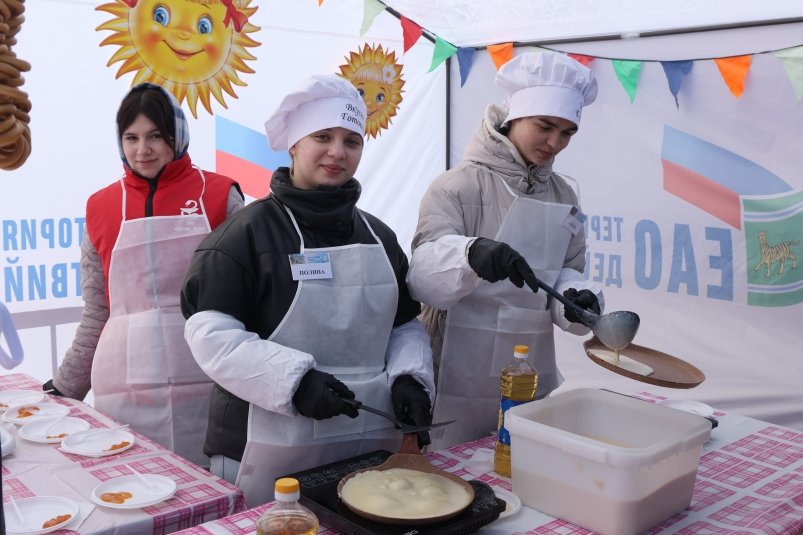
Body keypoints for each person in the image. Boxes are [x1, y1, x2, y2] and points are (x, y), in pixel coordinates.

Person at [180, 73, 435, 507]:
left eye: (351, 141)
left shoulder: (380, 236)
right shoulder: (244, 236)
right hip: (261, 448)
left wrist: (410, 378)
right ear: (294, 144)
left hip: (364, 443)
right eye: (323, 136)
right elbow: (211, 338)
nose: (337, 152)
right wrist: (294, 381)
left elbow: (403, 325)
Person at [407, 52, 605, 450]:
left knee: (519, 461)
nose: (554, 143)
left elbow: (567, 267)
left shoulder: (564, 194)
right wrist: (470, 254)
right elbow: (422, 279)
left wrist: (573, 297)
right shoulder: (457, 186)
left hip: (527, 361)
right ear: (514, 117)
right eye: (545, 126)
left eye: (567, 133)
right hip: (456, 362)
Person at [44, 83, 244, 467]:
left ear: (178, 136)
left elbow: (248, 301)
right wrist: (65, 387)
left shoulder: (219, 195)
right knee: (132, 486)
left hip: (209, 384)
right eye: (131, 138)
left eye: (156, 136)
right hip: (124, 389)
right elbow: (98, 311)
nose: (142, 150)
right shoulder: (100, 207)